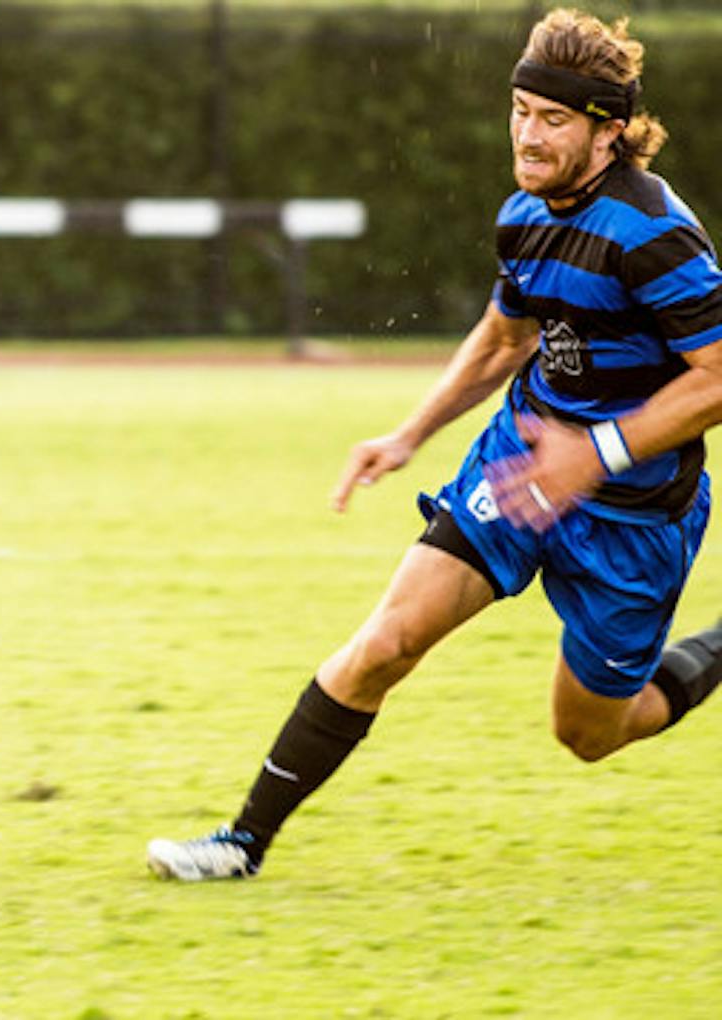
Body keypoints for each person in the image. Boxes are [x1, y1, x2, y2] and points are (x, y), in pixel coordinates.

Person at [147, 8, 722, 882]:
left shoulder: (657, 234)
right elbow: (503, 341)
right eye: (521, 110)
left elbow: (717, 377)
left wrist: (594, 456)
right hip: (519, 463)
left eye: (553, 119)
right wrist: (409, 434)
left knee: (591, 733)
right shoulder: (525, 213)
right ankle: (240, 843)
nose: (528, 135)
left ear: (608, 132)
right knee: (385, 643)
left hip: (634, 515)